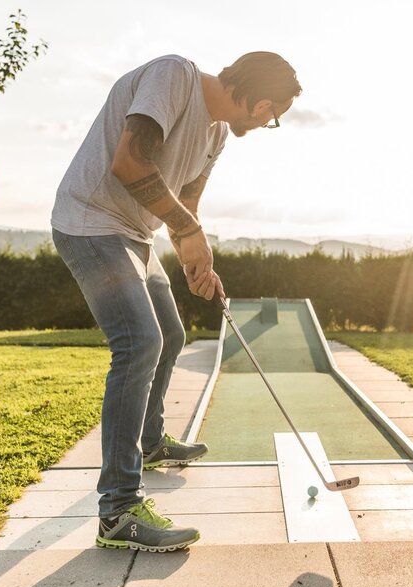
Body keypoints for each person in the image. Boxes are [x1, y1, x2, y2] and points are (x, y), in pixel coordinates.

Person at [51, 52, 301, 552]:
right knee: (140, 342)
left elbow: (184, 207)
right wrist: (190, 232)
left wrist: (195, 257)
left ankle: (150, 441)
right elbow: (130, 162)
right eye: (272, 114)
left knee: (171, 335)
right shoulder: (173, 77)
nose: (266, 122)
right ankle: (118, 510)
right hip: (91, 222)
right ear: (262, 101)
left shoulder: (217, 134)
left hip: (135, 235)